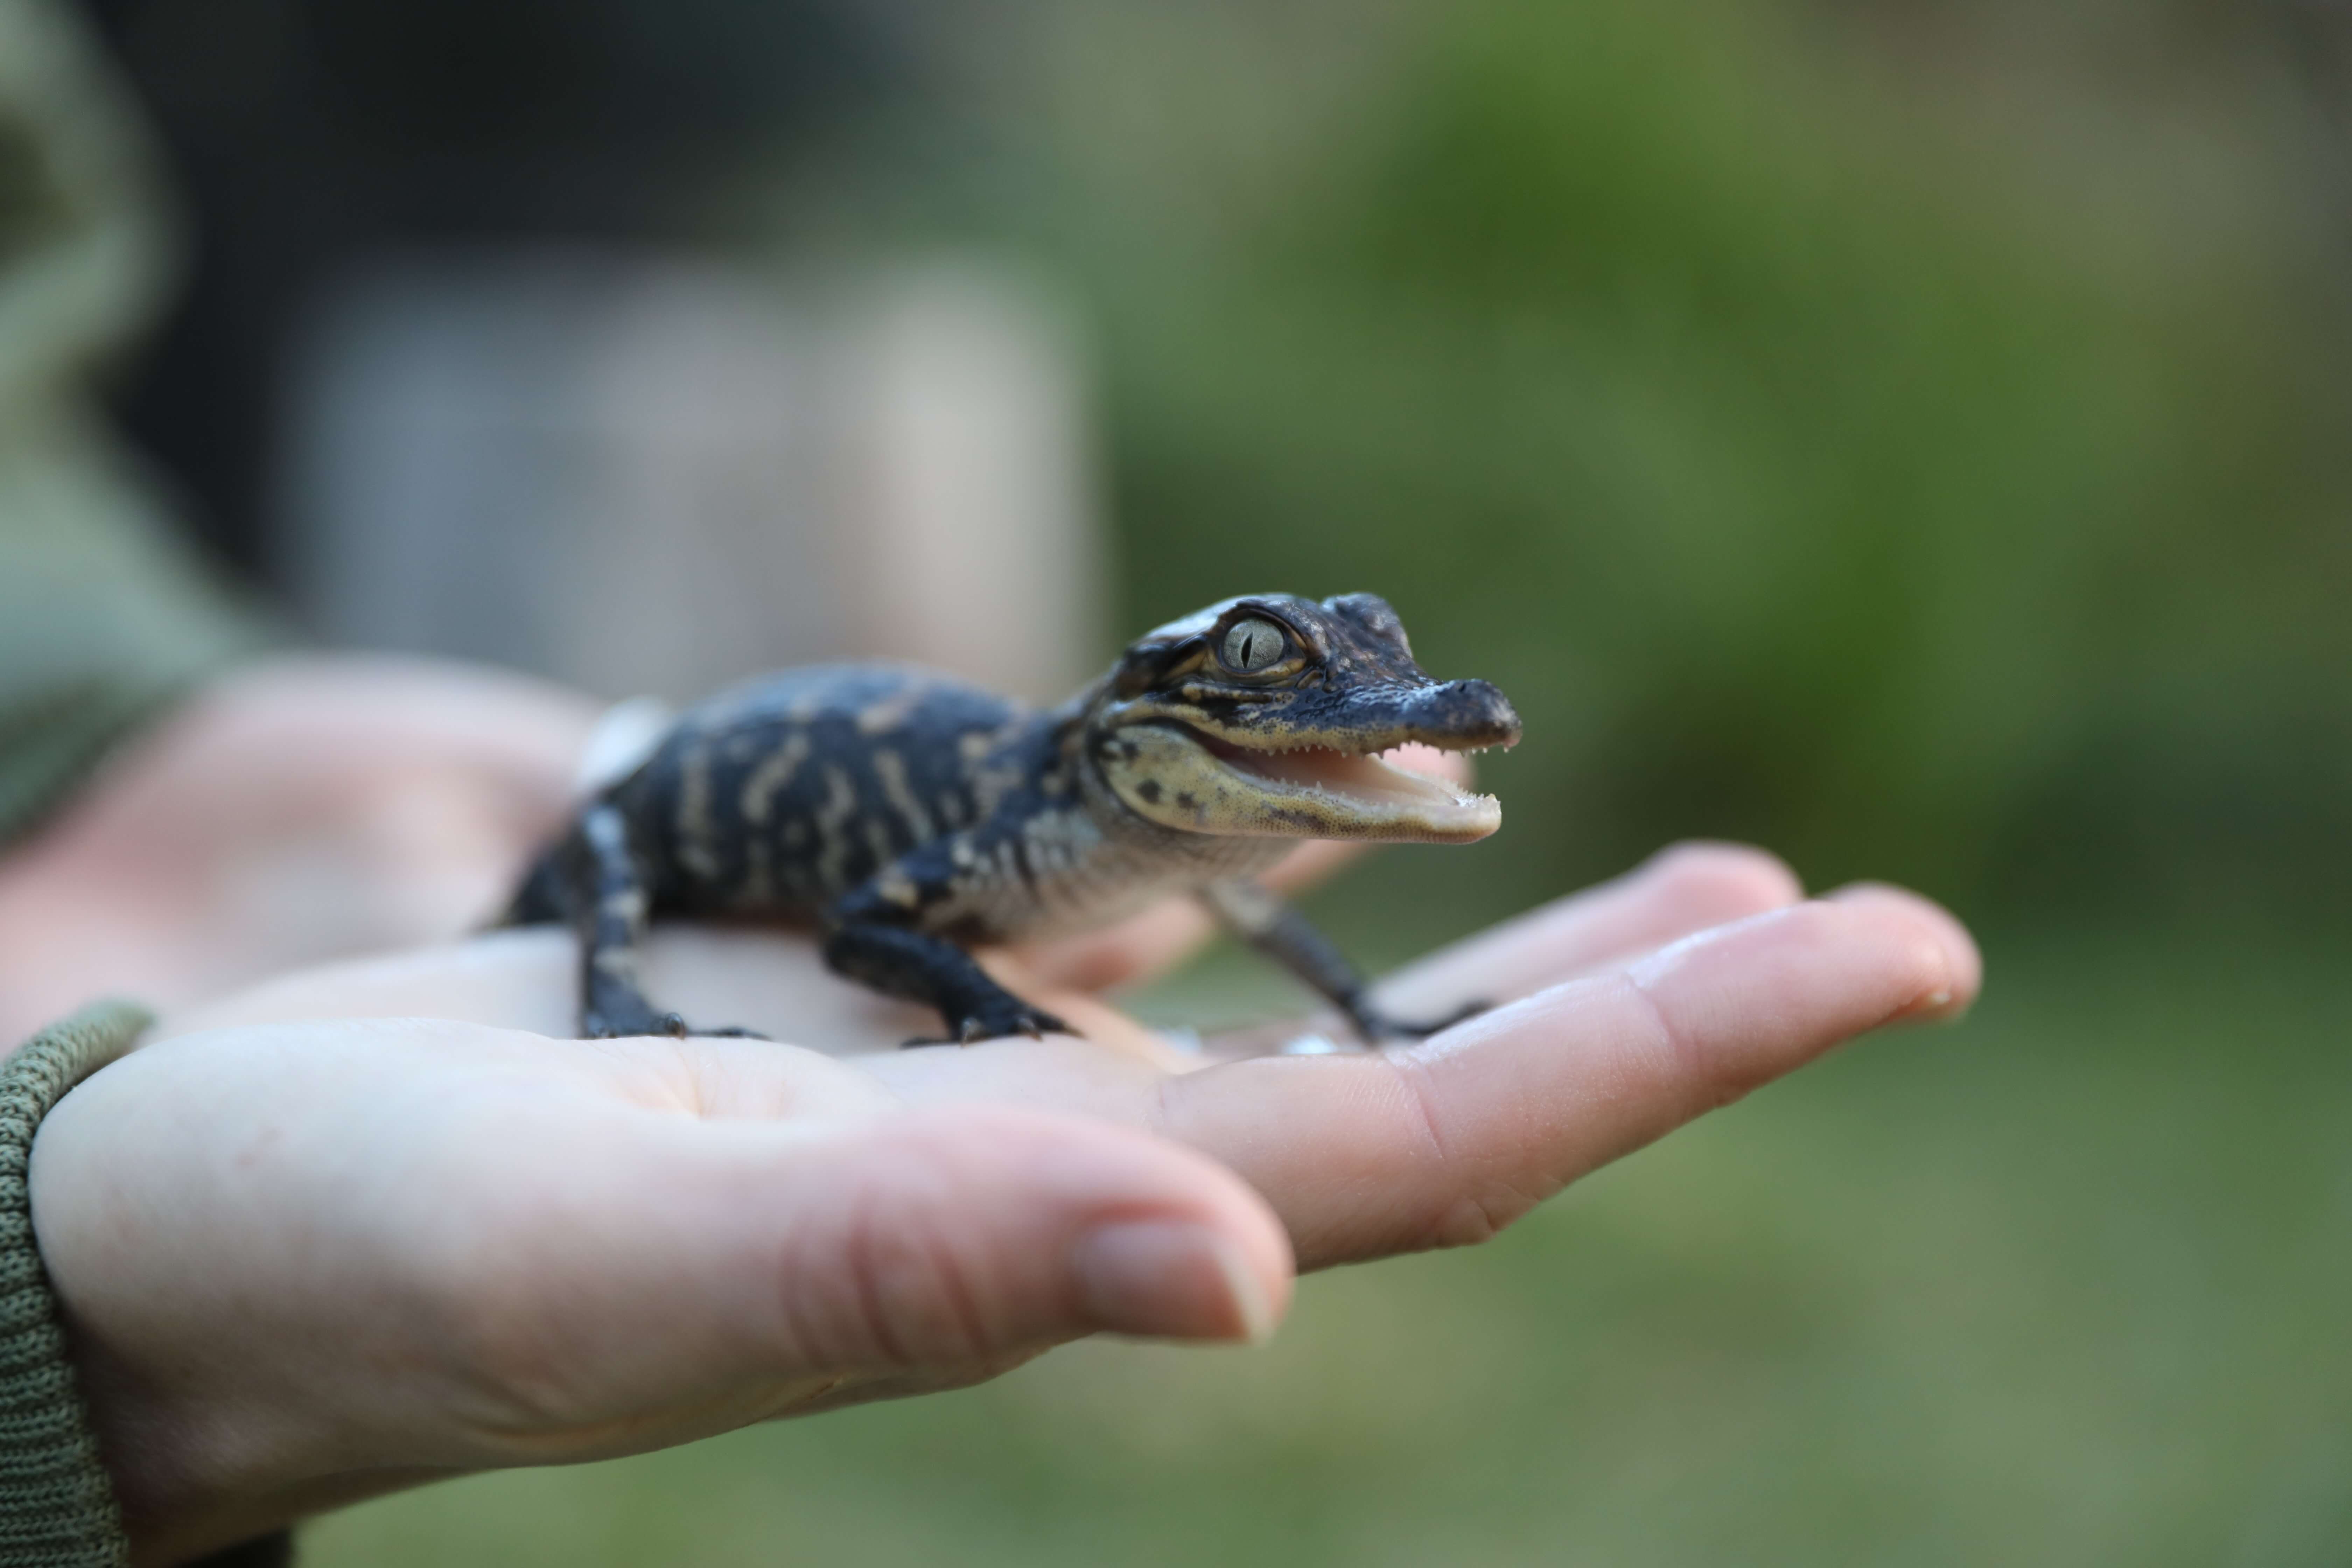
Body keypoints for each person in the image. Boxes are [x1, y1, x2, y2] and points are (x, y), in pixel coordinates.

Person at [0, 2, 1984, 1564]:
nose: (1345, 722)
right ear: (1139, 724)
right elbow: (869, 923)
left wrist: (1369, 1010)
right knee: (601, 850)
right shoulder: (1026, 831)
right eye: (1265, 688)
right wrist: (894, 1000)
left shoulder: (1174, 838)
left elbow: (1245, 898)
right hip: (666, 828)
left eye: (1324, 686)